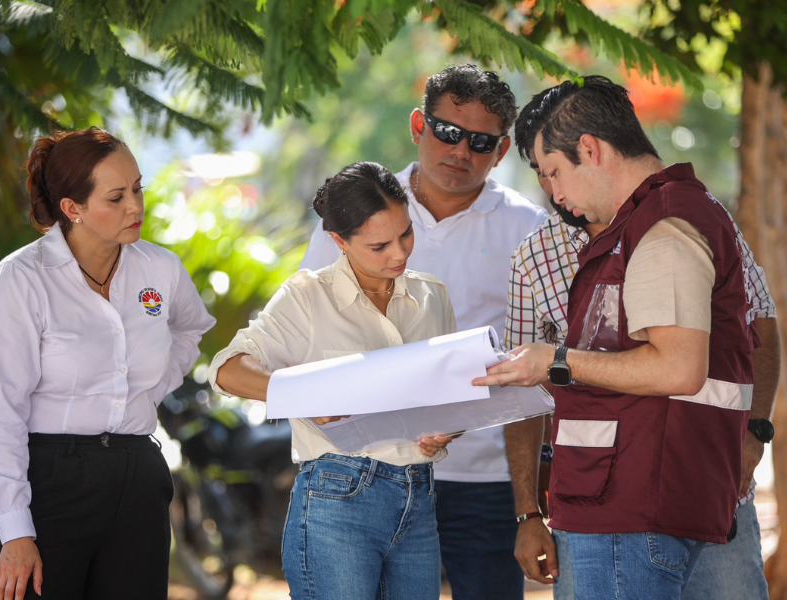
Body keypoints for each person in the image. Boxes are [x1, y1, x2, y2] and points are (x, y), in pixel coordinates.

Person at [475, 76, 760, 598]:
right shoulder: (658, 221)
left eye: (554, 172)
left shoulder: (662, 226)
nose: (555, 193)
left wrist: (555, 361)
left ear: (590, 149)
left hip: (630, 506)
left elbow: (677, 367)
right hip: (646, 495)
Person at [301, 65, 548, 599]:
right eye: (448, 131)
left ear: (502, 151)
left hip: (482, 477)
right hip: (367, 466)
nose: (461, 151)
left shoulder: (529, 229)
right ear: (419, 126)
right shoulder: (356, 206)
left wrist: (530, 504)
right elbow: (308, 324)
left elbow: (542, 360)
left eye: (480, 141)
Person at [207, 161, 456, 600]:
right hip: (339, 498)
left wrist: (449, 426)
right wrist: (304, 396)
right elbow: (226, 369)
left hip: (419, 497)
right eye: (379, 245)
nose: (399, 254)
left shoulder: (432, 296)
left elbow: (450, 392)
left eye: (406, 234)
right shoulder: (307, 297)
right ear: (339, 240)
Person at [0, 127, 216, 600]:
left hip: (139, 479)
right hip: (48, 481)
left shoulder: (161, 268)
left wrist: (149, 387)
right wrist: (14, 530)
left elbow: (190, 329)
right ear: (72, 208)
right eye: (116, 197)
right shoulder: (21, 279)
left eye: (137, 189)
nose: (135, 206)